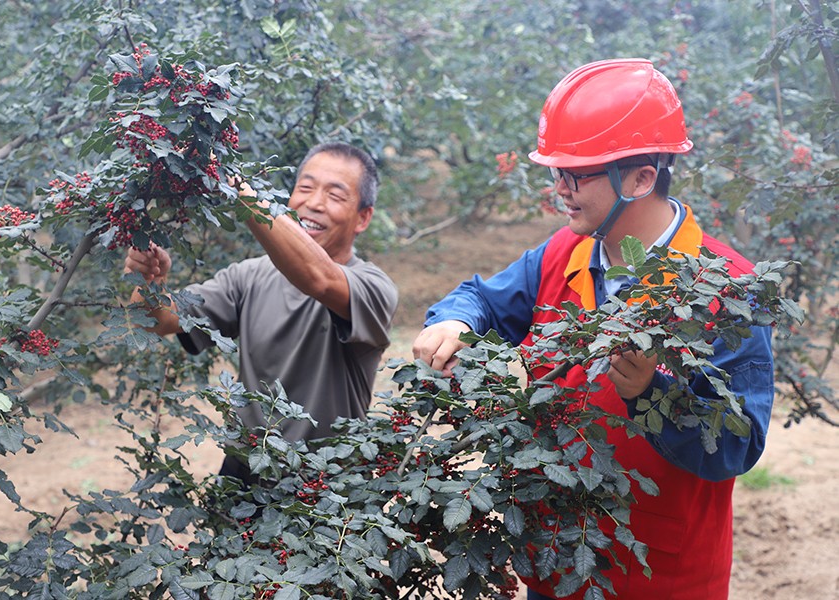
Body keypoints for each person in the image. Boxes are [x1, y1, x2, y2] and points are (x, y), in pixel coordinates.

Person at [412, 59, 774, 600]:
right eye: (555, 172)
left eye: (575, 174)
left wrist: (650, 394)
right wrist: (456, 320)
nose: (560, 188)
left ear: (641, 177)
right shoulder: (564, 254)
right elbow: (483, 298)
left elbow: (736, 445)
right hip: (555, 565)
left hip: (659, 575)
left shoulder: (728, 290)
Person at [125, 141, 398, 482]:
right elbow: (159, 321)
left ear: (363, 218)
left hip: (326, 485)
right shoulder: (248, 277)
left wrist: (232, 182)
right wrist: (149, 279)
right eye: (306, 188)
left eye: (335, 195)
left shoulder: (373, 288)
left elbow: (319, 278)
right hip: (245, 475)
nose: (314, 203)